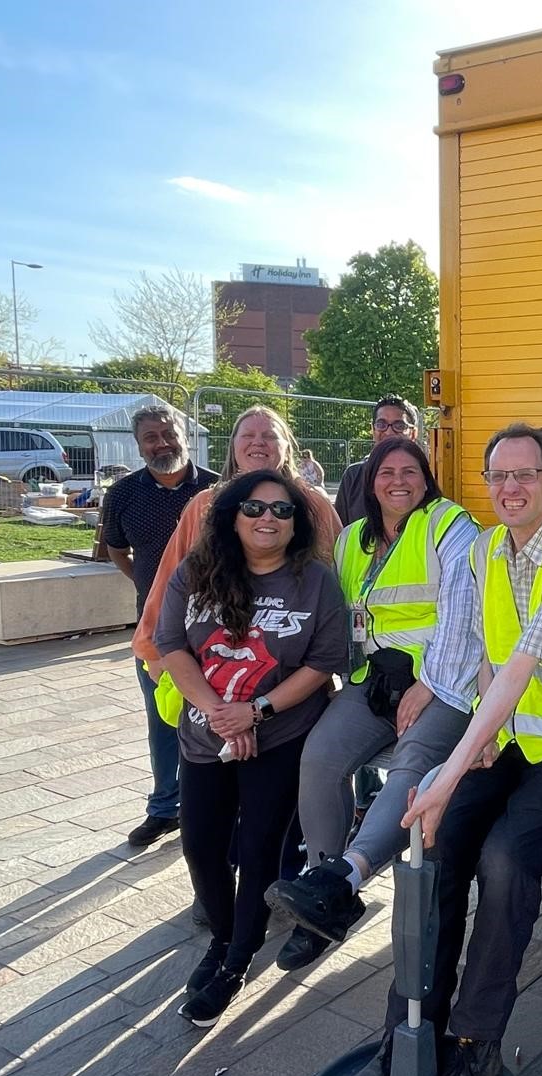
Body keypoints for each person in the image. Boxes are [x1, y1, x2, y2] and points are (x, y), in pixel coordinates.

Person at [341, 422, 542, 1076]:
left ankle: (474, 1047)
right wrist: (476, 748)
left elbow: (523, 667)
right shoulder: (489, 549)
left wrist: (448, 767)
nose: (511, 488)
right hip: (509, 740)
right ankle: (409, 1029)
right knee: (437, 844)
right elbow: (491, 661)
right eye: (498, 476)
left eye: (526, 475)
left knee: (506, 860)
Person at [264, 437, 481, 970]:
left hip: (443, 681)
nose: (398, 481)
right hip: (372, 682)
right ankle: (321, 888)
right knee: (319, 759)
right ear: (369, 481)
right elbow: (343, 616)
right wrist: (335, 679)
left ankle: (346, 879)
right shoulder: (353, 539)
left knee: (411, 766)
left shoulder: (451, 526)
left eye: (410, 471)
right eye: (386, 472)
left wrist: (427, 683)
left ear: (426, 478)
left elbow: (464, 617)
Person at [151, 469, 348, 1027]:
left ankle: (236, 962)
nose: (268, 519)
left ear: (297, 523)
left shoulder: (315, 582)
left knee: (259, 847)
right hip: (205, 731)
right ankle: (221, 938)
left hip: (280, 734)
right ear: (233, 515)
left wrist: (255, 713)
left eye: (282, 511)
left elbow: (324, 663)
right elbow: (170, 644)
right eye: (256, 508)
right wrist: (220, 713)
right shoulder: (198, 571)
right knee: (201, 846)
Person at [132, 405, 341, 670]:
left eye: (269, 435)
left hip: (293, 663)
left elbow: (340, 577)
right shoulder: (204, 505)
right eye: (248, 435)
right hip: (205, 661)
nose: (258, 442)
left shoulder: (313, 506)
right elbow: (169, 579)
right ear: (233, 447)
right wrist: (153, 647)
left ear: (287, 447)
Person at [100, 405, 219, 847]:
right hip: (155, 632)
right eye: (151, 437)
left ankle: (206, 806)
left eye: (168, 434)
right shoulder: (124, 494)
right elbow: (115, 548)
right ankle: (164, 807)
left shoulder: (215, 490)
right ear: (138, 444)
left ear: (185, 435)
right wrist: (152, 591)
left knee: (209, 717)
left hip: (211, 629)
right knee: (162, 719)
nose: (161, 443)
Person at [335, 395, 418, 527]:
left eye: (399, 425)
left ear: (413, 433)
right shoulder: (353, 476)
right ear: (373, 430)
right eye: (381, 424)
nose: (389, 431)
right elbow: (339, 531)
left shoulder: (423, 477)